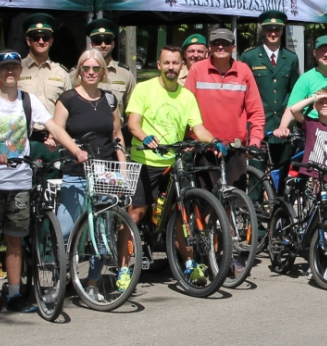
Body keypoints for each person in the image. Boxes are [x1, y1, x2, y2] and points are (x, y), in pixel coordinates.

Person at [0, 50, 68, 314]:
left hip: (20, 181)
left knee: (15, 240)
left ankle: (14, 293)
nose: (10, 72)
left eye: (14, 67)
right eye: (5, 68)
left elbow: (54, 126)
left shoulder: (28, 100)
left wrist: (71, 147)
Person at [125, 46, 222, 280]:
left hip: (174, 162)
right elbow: (133, 123)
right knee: (136, 214)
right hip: (146, 161)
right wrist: (144, 137)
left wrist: (215, 141)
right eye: (166, 63)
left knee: (180, 213)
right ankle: (123, 268)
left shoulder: (186, 96)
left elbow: (197, 128)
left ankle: (189, 264)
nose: (171, 67)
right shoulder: (144, 89)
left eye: (175, 63)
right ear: (159, 65)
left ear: (181, 66)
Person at [52, 48, 131, 293]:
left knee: (102, 232)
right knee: (65, 232)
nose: (91, 72)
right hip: (75, 172)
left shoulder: (109, 100)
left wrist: (123, 168)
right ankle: (59, 282)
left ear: (103, 72)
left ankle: (93, 282)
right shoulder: (67, 99)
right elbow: (57, 130)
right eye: (85, 68)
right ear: (78, 71)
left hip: (104, 171)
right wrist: (73, 150)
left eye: (96, 68)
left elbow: (117, 135)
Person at [185, 27, 265, 187]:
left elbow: (256, 112)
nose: (220, 47)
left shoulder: (244, 71)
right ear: (209, 48)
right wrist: (188, 138)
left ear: (233, 48)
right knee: (207, 205)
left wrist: (254, 142)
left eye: (225, 43)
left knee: (233, 205)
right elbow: (185, 108)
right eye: (216, 43)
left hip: (235, 148)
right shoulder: (197, 70)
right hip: (204, 148)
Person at [240, 10, 301, 136]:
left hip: (283, 124)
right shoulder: (249, 57)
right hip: (257, 124)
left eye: (277, 30)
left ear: (282, 31)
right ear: (263, 31)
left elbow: (294, 92)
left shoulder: (291, 58)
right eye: (269, 30)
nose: (273, 33)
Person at [20, 12, 71, 109]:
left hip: (54, 124)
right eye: (36, 38)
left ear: (51, 41)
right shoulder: (17, 69)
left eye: (45, 38)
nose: (41, 41)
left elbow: (69, 106)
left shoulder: (61, 73)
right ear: (28, 41)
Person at [86, 18, 136, 105]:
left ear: (113, 44)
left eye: (107, 41)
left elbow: (132, 108)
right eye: (98, 42)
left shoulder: (124, 73)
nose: (103, 45)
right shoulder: (79, 72)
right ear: (91, 45)